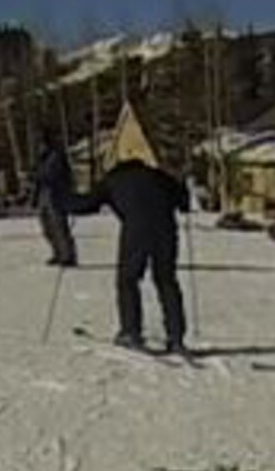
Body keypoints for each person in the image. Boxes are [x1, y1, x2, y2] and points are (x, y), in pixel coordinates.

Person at [66, 156, 191, 354]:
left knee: (128, 279)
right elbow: (184, 203)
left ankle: (131, 332)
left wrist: (65, 202)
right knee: (166, 280)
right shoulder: (159, 176)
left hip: (136, 230)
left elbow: (88, 204)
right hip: (166, 229)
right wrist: (182, 184)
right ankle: (176, 337)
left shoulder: (113, 179)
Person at [34, 132, 77, 267]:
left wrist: (39, 175)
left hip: (56, 194)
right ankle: (57, 252)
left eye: (41, 144)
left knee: (59, 226)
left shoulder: (56, 156)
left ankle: (68, 255)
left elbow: (53, 175)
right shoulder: (42, 158)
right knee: (47, 226)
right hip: (44, 194)